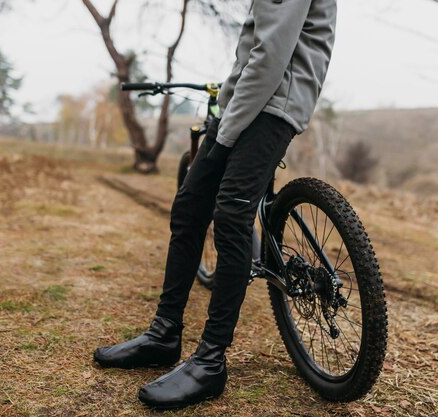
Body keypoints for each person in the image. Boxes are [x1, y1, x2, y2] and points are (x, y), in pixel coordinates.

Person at [93, 0, 337, 409]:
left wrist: (225, 132)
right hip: (249, 101)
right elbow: (251, 52)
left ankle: (210, 361)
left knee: (231, 214)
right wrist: (225, 110)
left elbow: (271, 57)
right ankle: (164, 333)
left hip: (274, 106)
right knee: (189, 206)